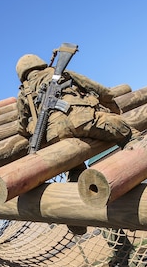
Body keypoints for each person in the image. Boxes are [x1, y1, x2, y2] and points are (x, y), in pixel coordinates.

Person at [15, 52, 136, 234]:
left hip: (55, 135)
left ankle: (74, 212)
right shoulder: (60, 72)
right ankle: (131, 183)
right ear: (39, 63)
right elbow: (101, 91)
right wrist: (114, 111)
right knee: (128, 133)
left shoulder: (25, 92)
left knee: (75, 170)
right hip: (83, 119)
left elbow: (22, 125)